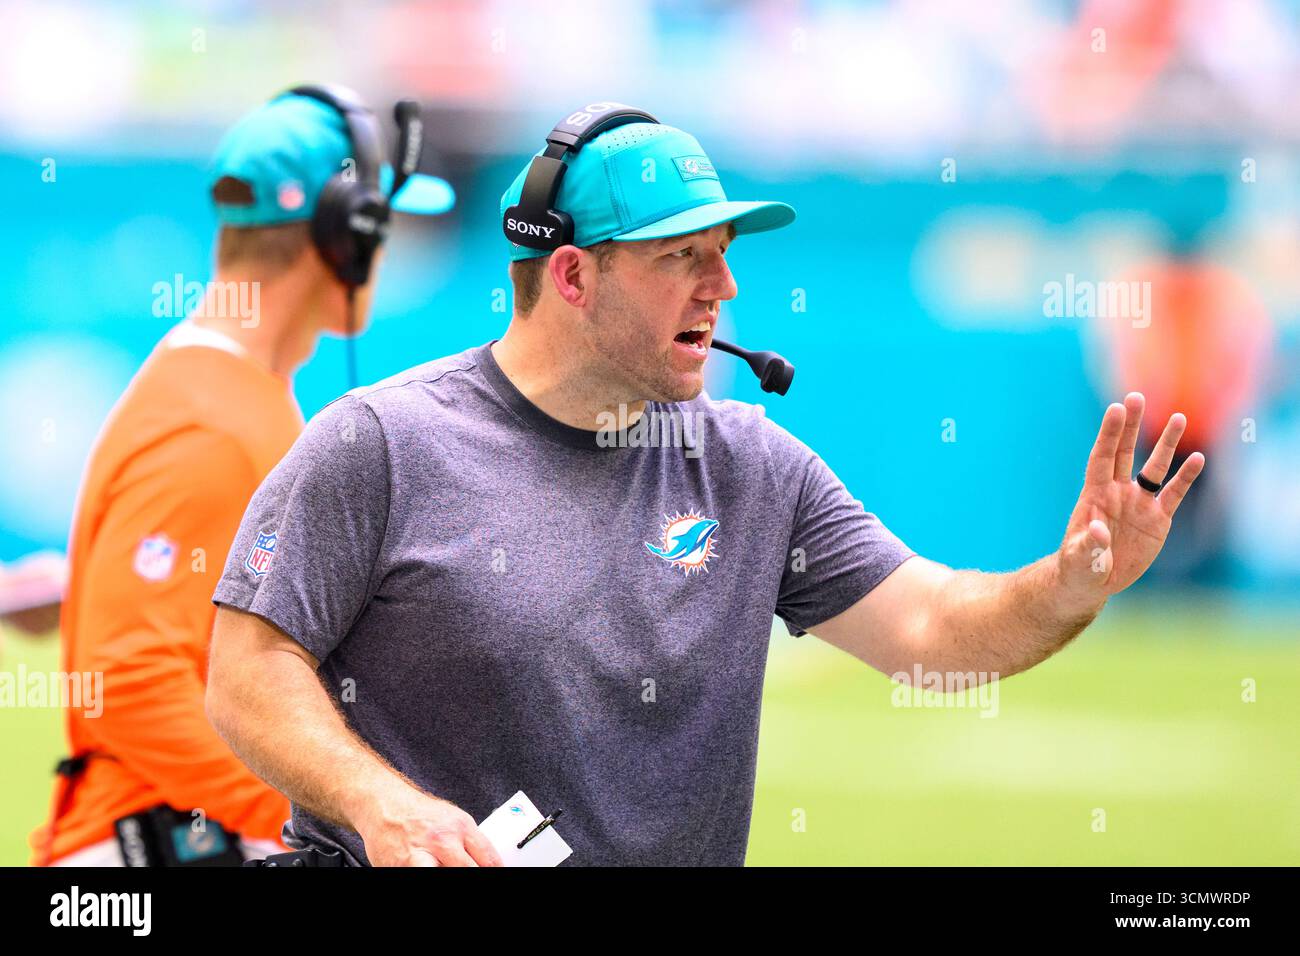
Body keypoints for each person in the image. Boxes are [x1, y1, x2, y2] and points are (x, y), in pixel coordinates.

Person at [205, 106, 1205, 867]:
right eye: (680, 256)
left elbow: (936, 629)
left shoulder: (754, 466)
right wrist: (379, 800)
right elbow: (247, 666)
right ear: (570, 277)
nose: (721, 288)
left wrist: (1072, 581)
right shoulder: (379, 442)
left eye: (722, 257)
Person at [31, 84, 456, 866]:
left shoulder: (235, 398)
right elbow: (131, 685)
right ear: (347, 234)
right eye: (383, 222)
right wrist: (348, 813)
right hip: (148, 855)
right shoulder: (213, 424)